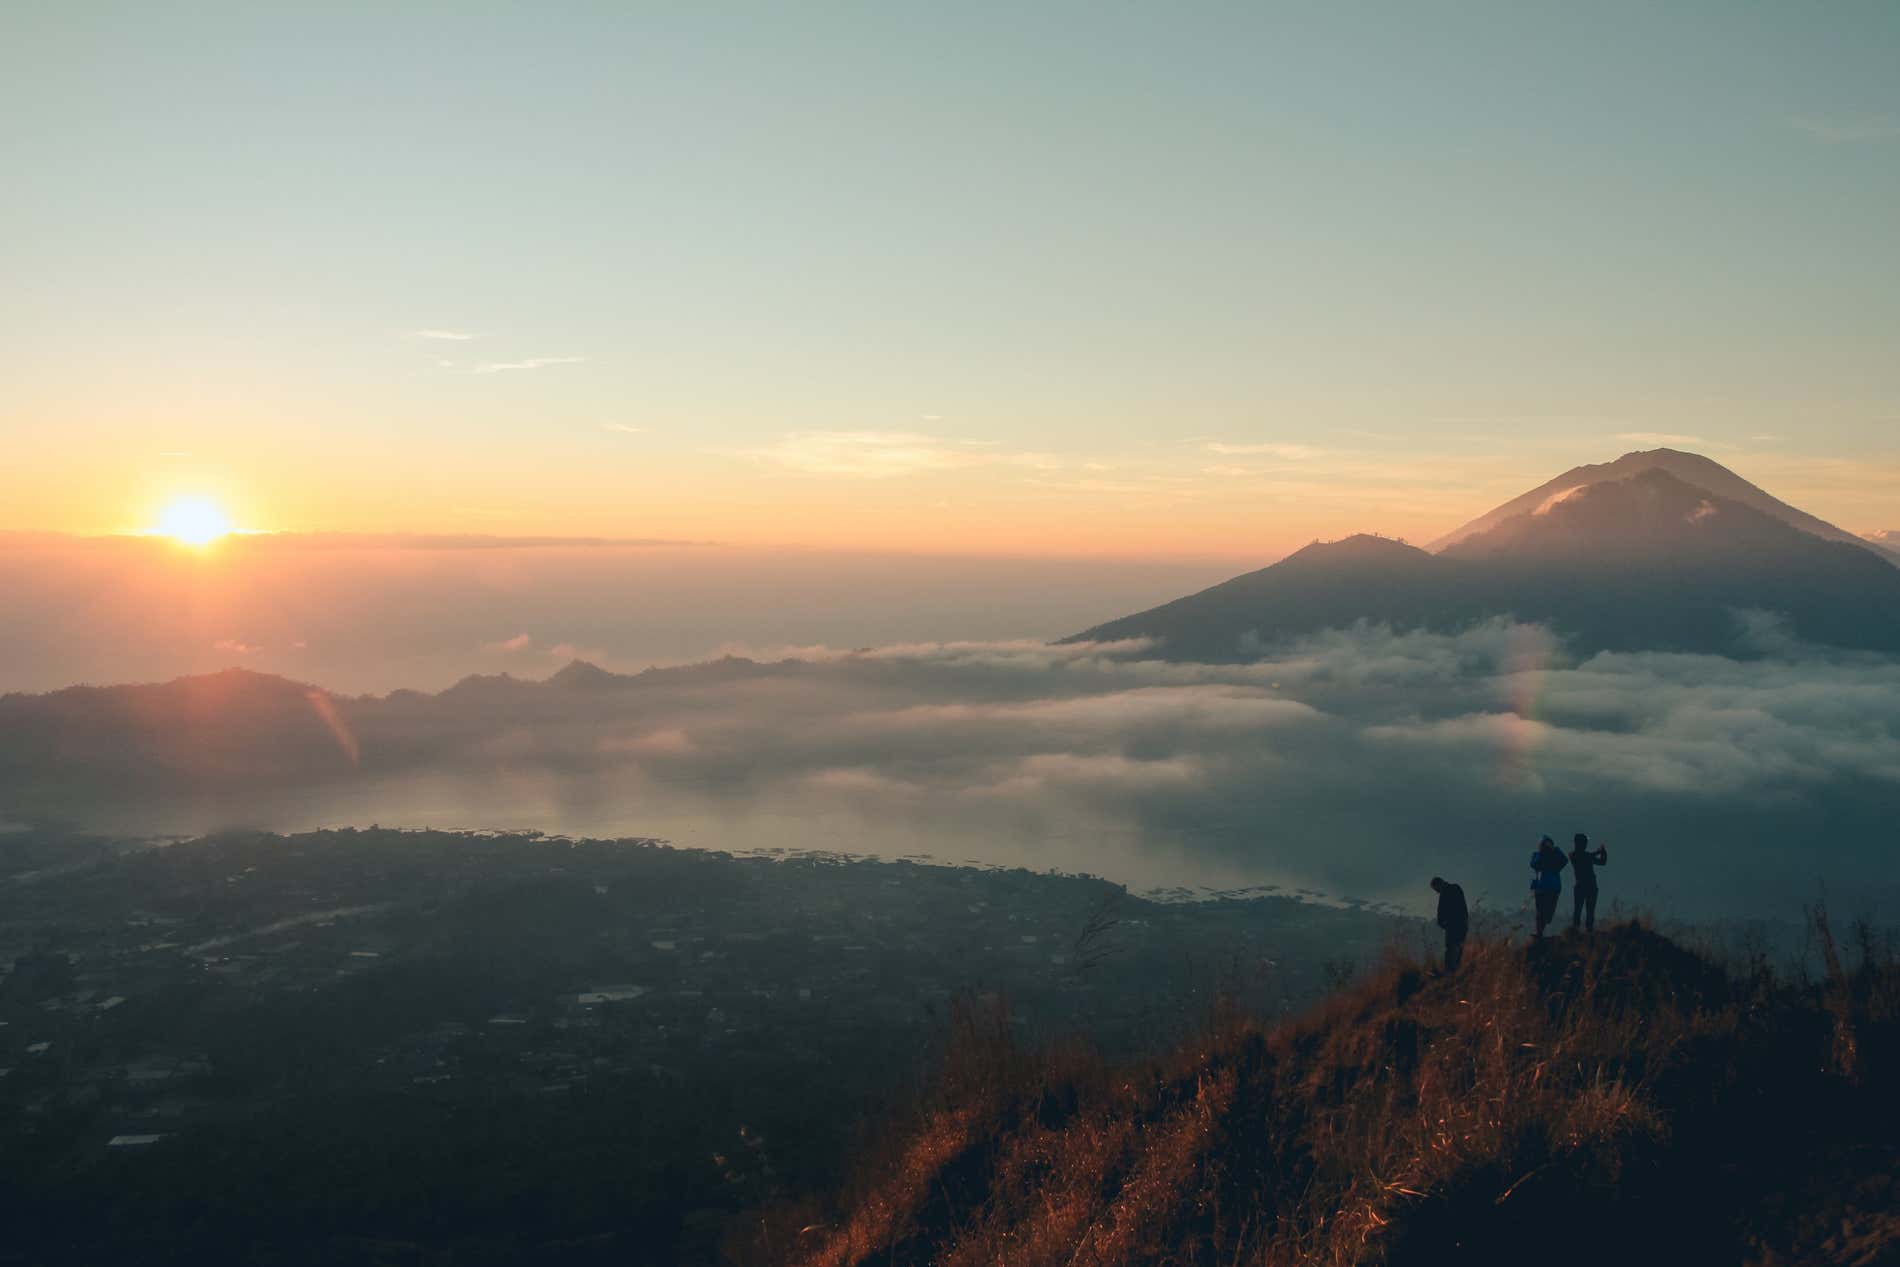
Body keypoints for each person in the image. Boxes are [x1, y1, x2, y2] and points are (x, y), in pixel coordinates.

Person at [1568, 833, 1608, 932]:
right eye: (1585, 842)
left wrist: (1602, 852)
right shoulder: (1575, 855)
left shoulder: (1575, 855)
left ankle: (1578, 932)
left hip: (1582, 887)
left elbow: (1602, 862)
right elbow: (1597, 860)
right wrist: (1600, 851)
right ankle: (1583, 932)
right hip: (1589, 887)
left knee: (1582, 911)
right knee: (1585, 911)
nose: (1586, 844)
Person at [1529, 836, 1566, 939]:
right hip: (1541, 888)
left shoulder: (1555, 856)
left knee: (1549, 914)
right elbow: (1534, 864)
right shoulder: (1537, 855)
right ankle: (1539, 933)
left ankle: (1540, 931)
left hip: (1553, 888)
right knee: (1540, 911)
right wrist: (1542, 852)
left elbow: (1564, 860)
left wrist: (1555, 849)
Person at [1431, 876, 1468, 971]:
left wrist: (1445, 925)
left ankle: (1450, 973)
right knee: (1458, 949)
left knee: (1451, 950)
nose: (1436, 892)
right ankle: (1455, 971)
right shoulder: (1456, 888)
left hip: (1453, 926)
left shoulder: (1445, 894)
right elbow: (1464, 908)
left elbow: (1440, 916)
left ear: (1439, 884)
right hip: (1461, 925)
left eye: (1436, 889)